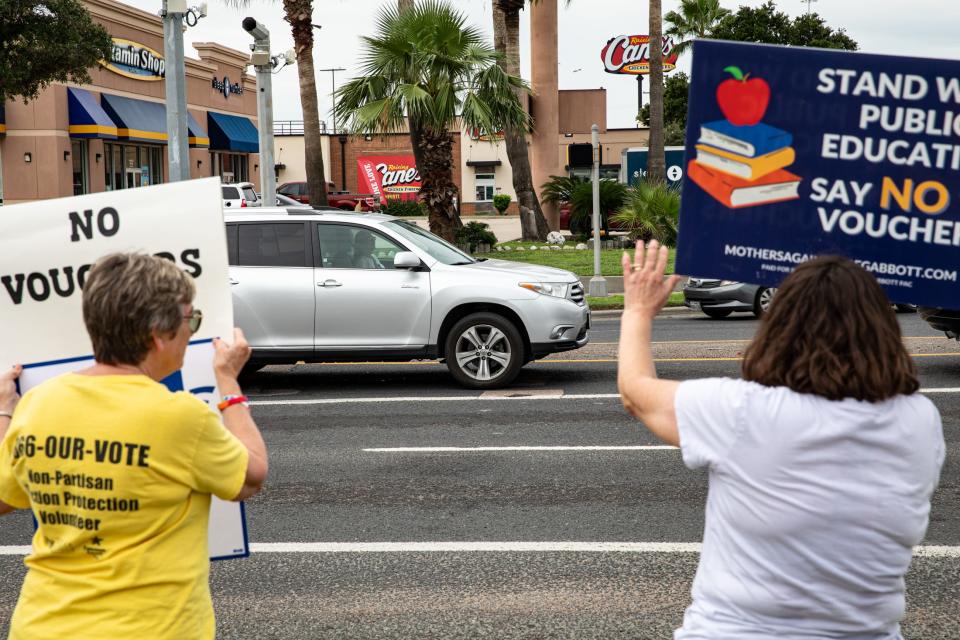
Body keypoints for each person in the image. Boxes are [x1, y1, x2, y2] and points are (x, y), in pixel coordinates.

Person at [618, 242, 944, 639]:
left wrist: (637, 311)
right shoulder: (920, 420)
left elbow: (636, 392)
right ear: (882, 330)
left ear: (782, 329)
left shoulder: (745, 412)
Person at [0, 252, 268, 640]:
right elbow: (251, 475)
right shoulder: (179, 416)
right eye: (189, 320)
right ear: (157, 335)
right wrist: (227, 381)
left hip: (42, 625)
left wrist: (4, 410)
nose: (192, 331)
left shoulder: (38, 403)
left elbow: (4, 497)